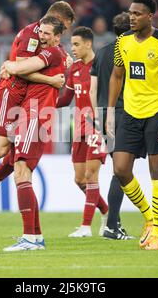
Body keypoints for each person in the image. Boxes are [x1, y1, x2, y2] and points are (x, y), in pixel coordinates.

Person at [0, 1, 75, 215]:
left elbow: (61, 57)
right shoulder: (32, 34)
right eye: (65, 25)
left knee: (16, 152)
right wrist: (48, 80)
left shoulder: (49, 38)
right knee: (1, 148)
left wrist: (65, 59)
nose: (64, 31)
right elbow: (19, 69)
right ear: (57, 17)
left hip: (27, 97)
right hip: (11, 92)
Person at [106, 0, 158, 250]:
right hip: (130, 112)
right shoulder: (122, 41)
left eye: (137, 13)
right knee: (120, 169)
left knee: (157, 172)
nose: (132, 18)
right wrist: (109, 112)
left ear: (150, 16)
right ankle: (149, 218)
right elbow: (117, 76)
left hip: (157, 112)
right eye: (130, 13)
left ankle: (156, 234)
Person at [1, 16, 67, 251]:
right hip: (33, 113)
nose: (42, 36)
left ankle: (29, 237)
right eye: (42, 32)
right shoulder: (51, 53)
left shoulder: (54, 53)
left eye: (48, 34)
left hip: (36, 115)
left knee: (21, 172)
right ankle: (35, 237)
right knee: (22, 172)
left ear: (58, 37)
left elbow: (21, 68)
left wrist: (9, 65)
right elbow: (25, 72)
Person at [56, 27, 109, 238]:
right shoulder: (75, 69)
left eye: (77, 44)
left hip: (99, 124)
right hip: (79, 128)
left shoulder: (102, 66)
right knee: (79, 179)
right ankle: (107, 212)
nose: (73, 49)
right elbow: (64, 99)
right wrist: (41, 100)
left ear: (89, 44)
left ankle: (86, 226)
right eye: (72, 44)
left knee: (91, 175)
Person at [89, 12, 135, 240]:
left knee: (119, 170)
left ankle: (113, 224)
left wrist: (97, 116)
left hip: (103, 114)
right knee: (122, 170)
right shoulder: (129, 52)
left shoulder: (102, 52)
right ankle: (112, 225)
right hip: (123, 112)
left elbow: (92, 89)